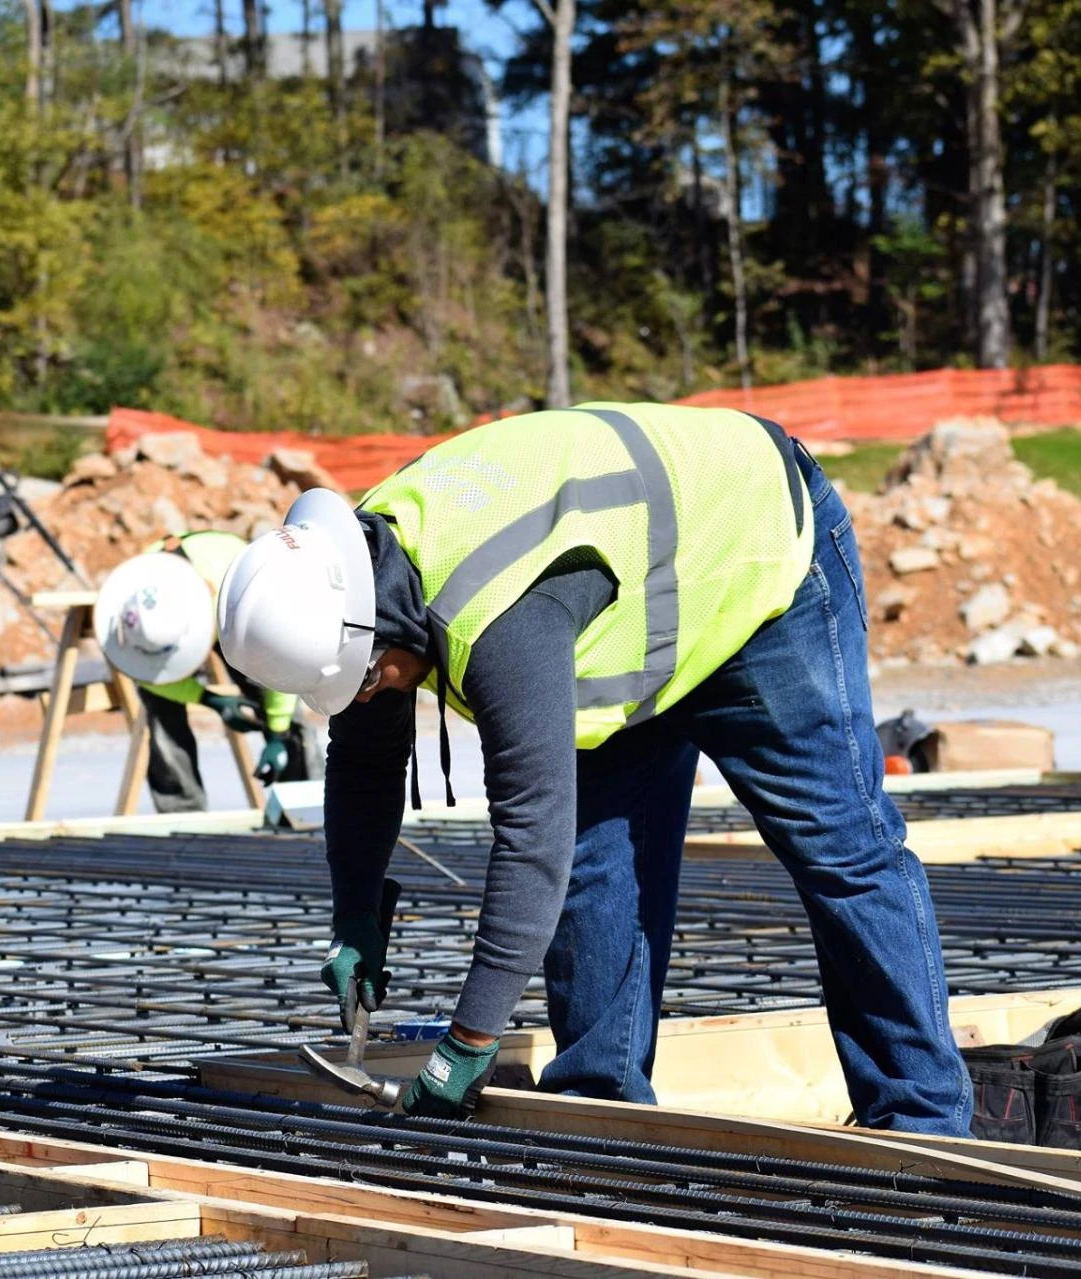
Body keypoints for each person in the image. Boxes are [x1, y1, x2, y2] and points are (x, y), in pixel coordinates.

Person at [214, 404, 972, 1133]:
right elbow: (364, 757)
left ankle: (923, 1120)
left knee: (840, 850)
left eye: (368, 680)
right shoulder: (358, 573)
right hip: (630, 607)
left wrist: (470, 1040)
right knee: (597, 859)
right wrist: (354, 915)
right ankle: (601, 1111)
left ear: (376, 631)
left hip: (755, 558)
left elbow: (530, 842)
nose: (369, 698)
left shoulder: (496, 618)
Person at [97, 531, 319, 812]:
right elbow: (147, 675)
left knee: (278, 702)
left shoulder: (245, 599)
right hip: (202, 612)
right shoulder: (132, 604)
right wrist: (210, 700)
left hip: (235, 606)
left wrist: (278, 732)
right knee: (159, 703)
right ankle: (181, 811)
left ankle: (303, 804)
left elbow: (281, 665)